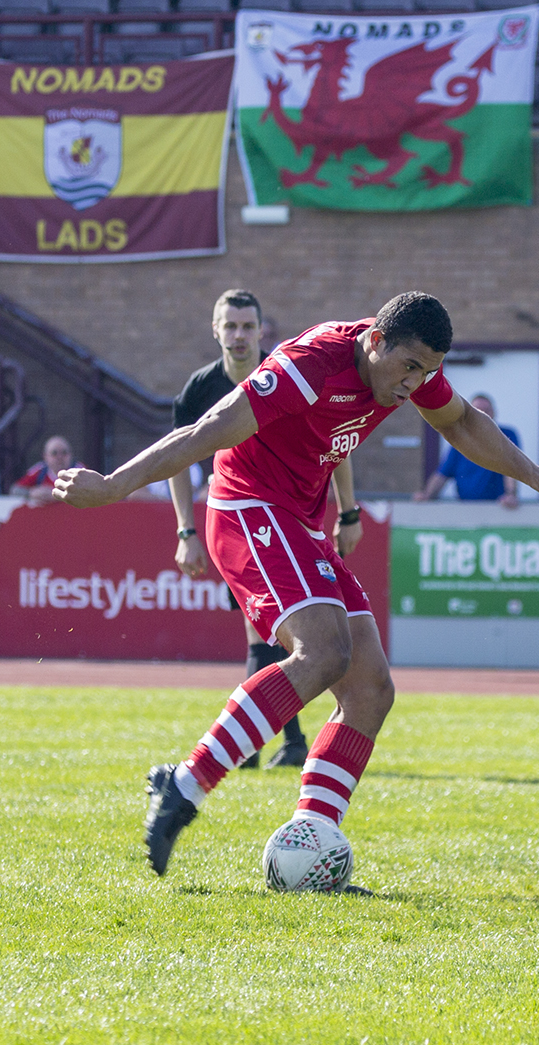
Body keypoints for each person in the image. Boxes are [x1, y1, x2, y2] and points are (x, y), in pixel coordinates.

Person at [55, 291, 539, 881]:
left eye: (430, 371)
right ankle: (184, 784)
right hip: (247, 506)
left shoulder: (407, 373)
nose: (417, 383)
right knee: (323, 652)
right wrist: (114, 485)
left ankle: (312, 842)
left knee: (370, 689)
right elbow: (207, 431)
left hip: (301, 520)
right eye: (410, 367)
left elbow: (463, 421)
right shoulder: (310, 363)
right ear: (374, 342)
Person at [169, 289, 335, 770]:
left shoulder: (286, 373)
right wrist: (185, 531)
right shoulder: (200, 389)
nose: (239, 335)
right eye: (230, 326)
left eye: (247, 326)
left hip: (291, 520)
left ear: (262, 330)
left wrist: (347, 513)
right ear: (215, 330)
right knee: (267, 639)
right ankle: (282, 743)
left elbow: (334, 443)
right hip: (240, 524)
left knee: (277, 640)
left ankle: (263, 745)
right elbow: (176, 458)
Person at [414, 393, 522, 508]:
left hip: (498, 508)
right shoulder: (459, 440)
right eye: (477, 411)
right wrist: (427, 496)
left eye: (486, 411)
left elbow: (512, 470)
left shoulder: (506, 435)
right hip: (466, 508)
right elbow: (442, 474)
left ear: (494, 413)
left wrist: (511, 495)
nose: (482, 415)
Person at [13, 435, 71, 505]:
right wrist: (31, 493)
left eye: (64, 453)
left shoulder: (80, 471)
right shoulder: (40, 471)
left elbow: (87, 493)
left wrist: (57, 495)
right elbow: (15, 490)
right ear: (45, 456)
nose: (60, 457)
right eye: (54, 453)